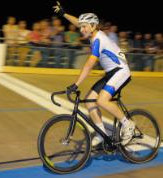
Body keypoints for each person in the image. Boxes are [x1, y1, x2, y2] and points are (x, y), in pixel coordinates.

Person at [53, 1, 135, 146]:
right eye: (82, 26)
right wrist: (63, 14)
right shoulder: (92, 33)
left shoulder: (98, 40)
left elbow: (89, 65)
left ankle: (128, 125)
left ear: (93, 26)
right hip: (111, 73)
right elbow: (78, 22)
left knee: (102, 100)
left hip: (121, 71)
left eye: (84, 27)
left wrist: (76, 84)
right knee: (90, 99)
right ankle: (102, 134)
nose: (81, 29)